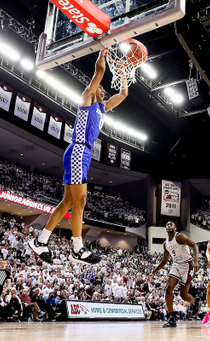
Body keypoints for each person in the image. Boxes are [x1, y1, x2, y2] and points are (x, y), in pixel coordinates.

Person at [29, 49, 128, 264]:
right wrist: (103, 52)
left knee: (67, 202)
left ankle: (41, 241)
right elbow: (99, 71)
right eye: (99, 88)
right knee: (80, 200)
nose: (101, 90)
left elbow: (123, 95)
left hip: (84, 154)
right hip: (78, 150)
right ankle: (76, 248)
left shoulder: (102, 108)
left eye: (102, 89)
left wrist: (123, 74)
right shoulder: (87, 100)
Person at [147, 221, 199, 328]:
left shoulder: (179, 236)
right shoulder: (166, 244)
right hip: (176, 265)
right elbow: (164, 261)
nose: (169, 226)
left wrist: (196, 261)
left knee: (183, 296)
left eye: (171, 224)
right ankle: (171, 318)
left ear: (175, 227)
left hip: (187, 265)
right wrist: (152, 272)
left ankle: (196, 301)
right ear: (165, 229)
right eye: (167, 224)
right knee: (168, 288)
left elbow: (194, 245)